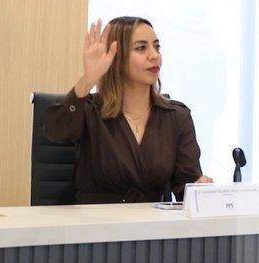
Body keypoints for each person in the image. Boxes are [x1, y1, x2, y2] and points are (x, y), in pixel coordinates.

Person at [44, 16, 210, 203]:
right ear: (116, 57)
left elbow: (186, 187)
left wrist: (199, 188)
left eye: (156, 47)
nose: (154, 55)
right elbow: (58, 131)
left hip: (153, 220)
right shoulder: (89, 110)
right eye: (141, 48)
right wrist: (88, 80)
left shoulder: (176, 116)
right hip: (96, 219)